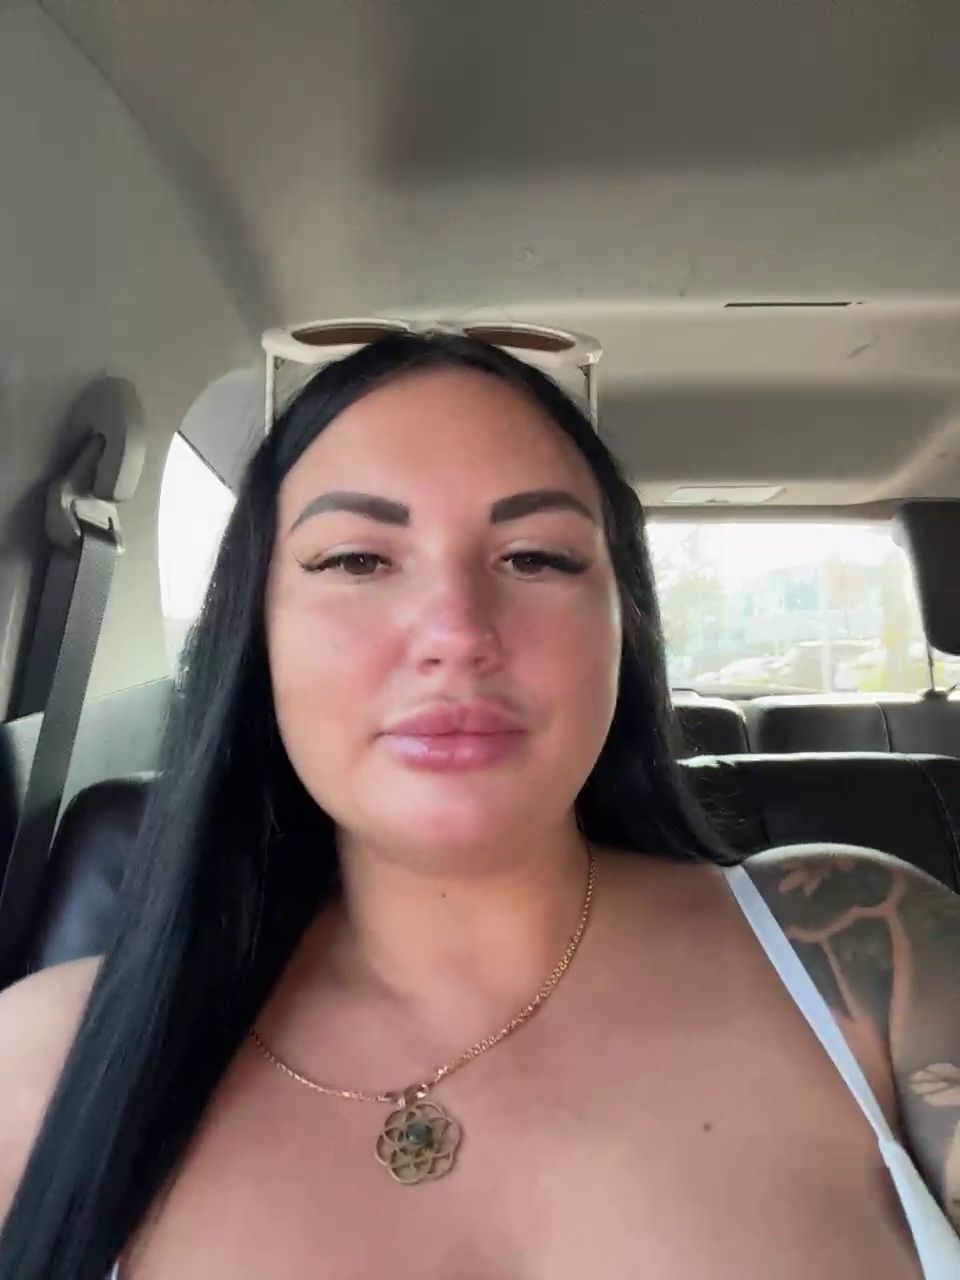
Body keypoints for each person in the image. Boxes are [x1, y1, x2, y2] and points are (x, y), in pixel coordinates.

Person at [0, 331, 957, 1279]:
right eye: (357, 561)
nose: (456, 633)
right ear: (257, 634)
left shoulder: (870, 953)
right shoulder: (38, 1063)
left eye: (536, 557)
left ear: (624, 628)